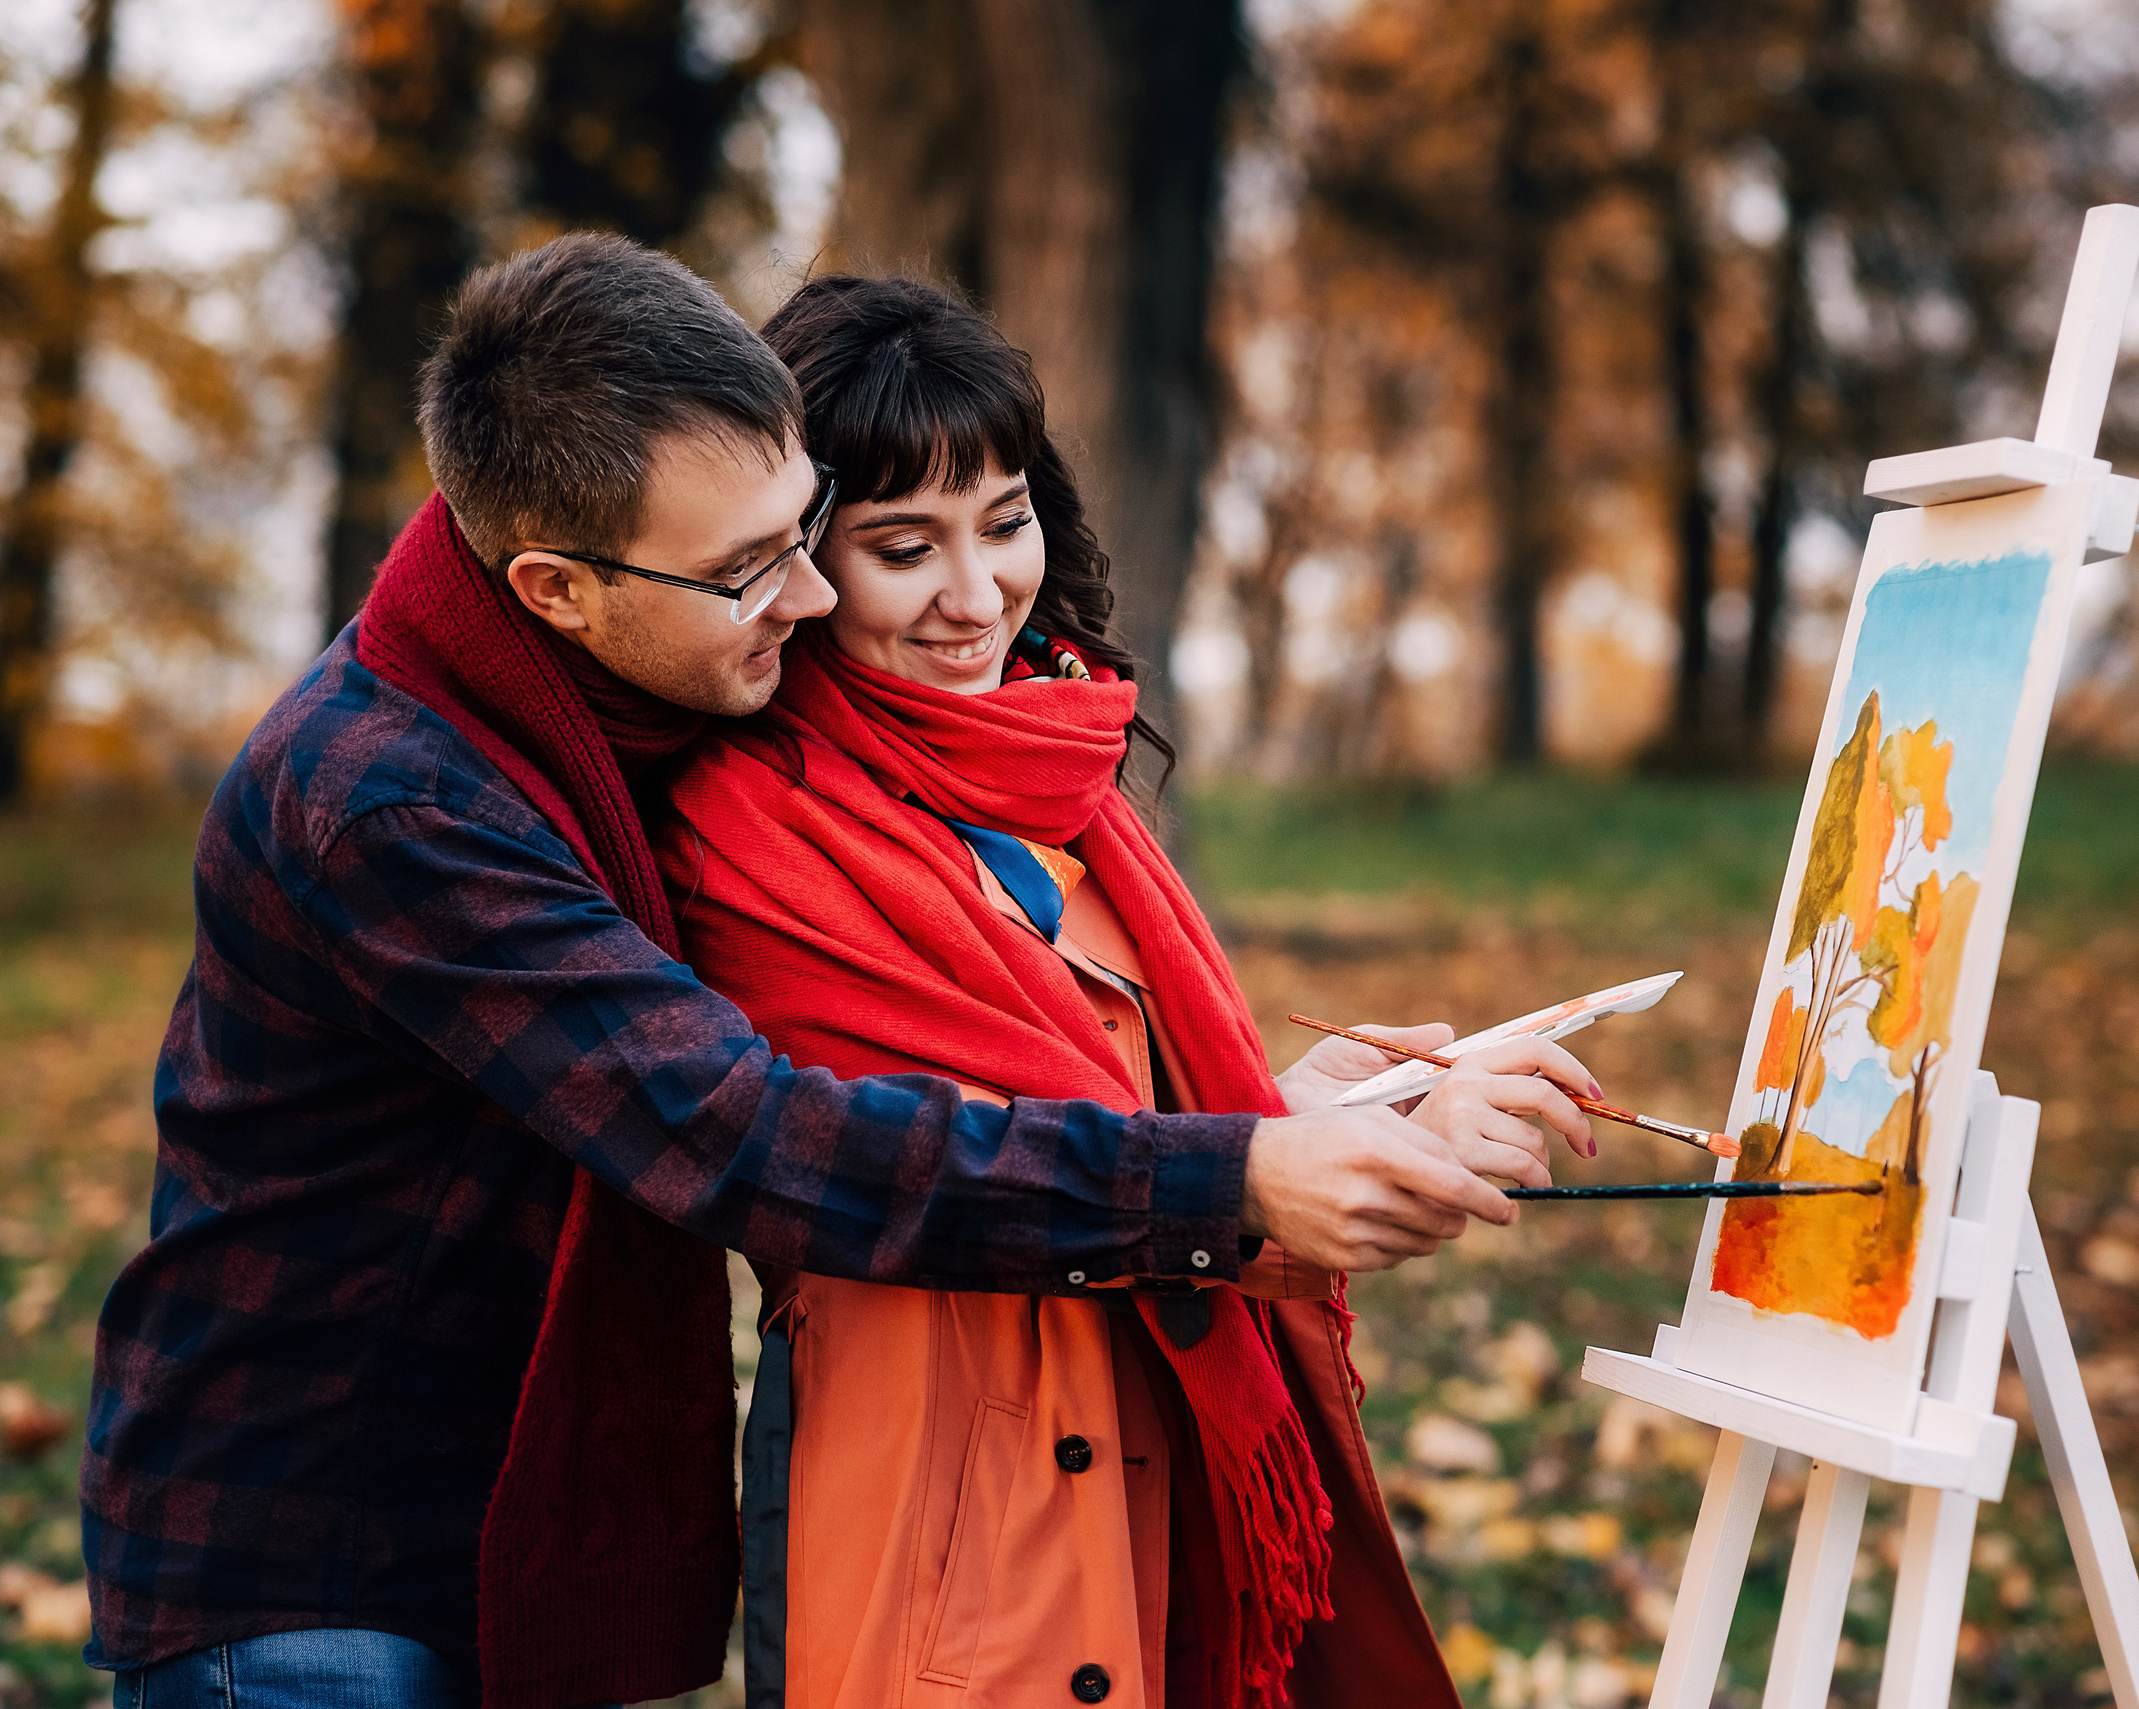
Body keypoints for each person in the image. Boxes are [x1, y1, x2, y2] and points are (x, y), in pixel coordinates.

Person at [81, 235, 1510, 1709]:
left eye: (800, 530)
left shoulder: (625, 711)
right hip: (310, 1557)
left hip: (490, 1519)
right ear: (556, 588)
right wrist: (1240, 1177)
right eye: (750, 569)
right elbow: (744, 1133)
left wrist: (1262, 1106)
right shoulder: (398, 801)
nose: (813, 599)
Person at [655, 275, 1607, 1709]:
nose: (976, 596)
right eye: (903, 547)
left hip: (1160, 1471)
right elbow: (937, 1162)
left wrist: (1345, 1114)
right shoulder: (749, 823)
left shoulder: (1068, 788)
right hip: (942, 1524)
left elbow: (1149, 1132)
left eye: (1006, 522)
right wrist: (1254, 1164)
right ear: (799, 563)